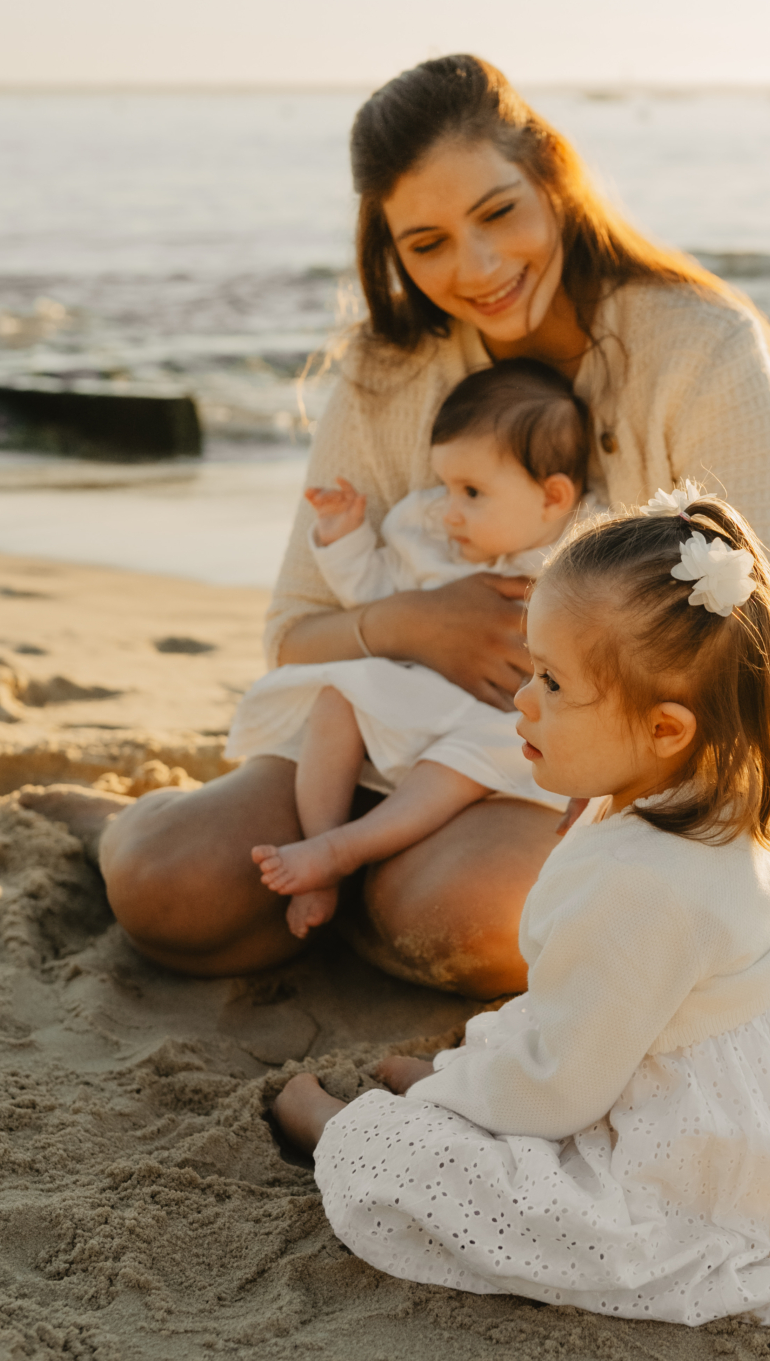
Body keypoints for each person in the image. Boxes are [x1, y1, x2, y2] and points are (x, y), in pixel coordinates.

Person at [92, 54, 770, 990]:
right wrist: (414, 625)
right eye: (425, 244)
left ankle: (352, 890)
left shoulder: (701, 349)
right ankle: (202, 847)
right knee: (164, 890)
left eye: (499, 213)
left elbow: (761, 649)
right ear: (390, 249)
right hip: (380, 732)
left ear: (552, 174)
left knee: (466, 917)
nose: (477, 271)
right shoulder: (386, 370)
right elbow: (291, 635)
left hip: (544, 767)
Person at [271, 495, 770, 1326]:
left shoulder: (646, 883)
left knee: (515, 1206)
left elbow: (561, 1085)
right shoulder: (701, 807)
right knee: (501, 1078)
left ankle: (337, 1132)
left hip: (694, 1157)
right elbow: (590, 1021)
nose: (521, 704)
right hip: (713, 1088)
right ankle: (454, 1089)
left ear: (665, 728)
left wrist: (453, 1099)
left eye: (552, 682)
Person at [230, 361, 598, 938]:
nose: (449, 509)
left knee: (469, 756)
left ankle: (345, 850)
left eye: (472, 492)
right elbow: (374, 595)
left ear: (553, 497)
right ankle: (318, 840)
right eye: (446, 486)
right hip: (417, 693)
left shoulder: (583, 559)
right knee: (338, 696)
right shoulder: (428, 534)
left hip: (495, 720)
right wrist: (342, 536)